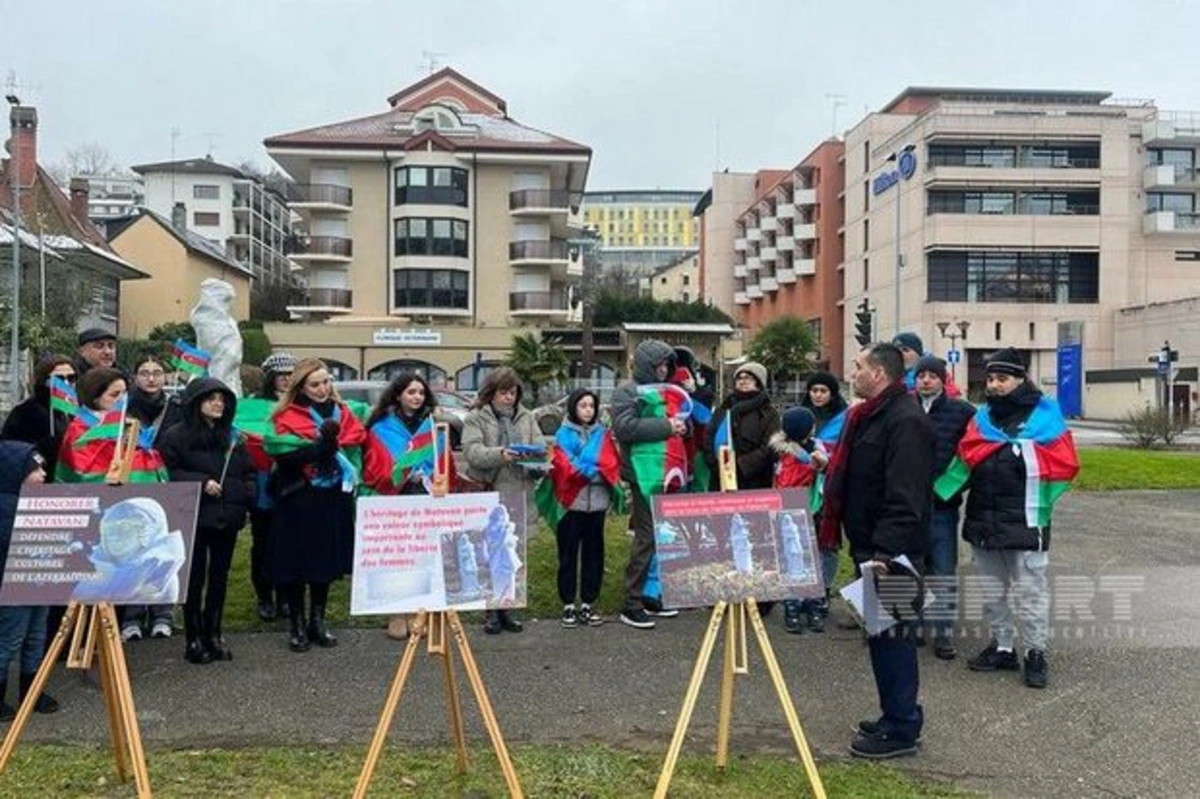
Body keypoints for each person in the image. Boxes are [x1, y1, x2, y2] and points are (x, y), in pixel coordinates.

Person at [939, 348, 1079, 689]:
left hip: (1026, 522)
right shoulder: (982, 419)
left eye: (1002, 378)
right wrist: (938, 493)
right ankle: (1002, 647)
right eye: (990, 378)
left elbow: (1065, 463)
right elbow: (964, 460)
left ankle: (1035, 652)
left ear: (1020, 379)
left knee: (1031, 591)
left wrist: (1021, 451)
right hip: (983, 519)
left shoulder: (1045, 419)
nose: (994, 385)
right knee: (992, 591)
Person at [821, 343, 933, 759]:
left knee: (894, 638)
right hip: (870, 546)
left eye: (859, 367)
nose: (853, 373)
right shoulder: (870, 415)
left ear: (880, 374)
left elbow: (905, 495)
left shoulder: (905, 421)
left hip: (890, 554)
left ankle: (902, 728)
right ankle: (894, 715)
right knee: (882, 637)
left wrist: (884, 554)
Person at [265, 358, 366, 653]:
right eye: (315, 384)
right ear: (301, 387)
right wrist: (318, 449)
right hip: (299, 497)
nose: (322, 389)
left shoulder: (344, 412)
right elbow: (282, 454)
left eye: (326, 382)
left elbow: (357, 437)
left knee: (324, 561)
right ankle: (296, 624)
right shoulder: (286, 415)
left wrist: (333, 446)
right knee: (297, 563)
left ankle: (317, 620)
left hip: (332, 496)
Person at [157, 378, 254, 664]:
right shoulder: (176, 436)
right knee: (194, 577)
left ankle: (215, 633)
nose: (218, 404)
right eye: (211, 398)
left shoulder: (233, 437)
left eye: (222, 399)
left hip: (227, 516)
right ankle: (193, 637)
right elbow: (168, 472)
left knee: (219, 578)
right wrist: (201, 483)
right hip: (194, 516)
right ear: (196, 402)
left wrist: (246, 499)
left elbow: (246, 472)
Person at [610, 339, 687, 630]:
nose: (664, 370)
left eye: (667, 365)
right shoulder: (626, 392)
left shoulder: (668, 392)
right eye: (660, 365)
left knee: (660, 537)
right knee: (645, 537)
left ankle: (647, 594)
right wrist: (668, 427)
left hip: (666, 473)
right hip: (643, 475)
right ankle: (631, 603)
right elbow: (625, 428)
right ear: (646, 365)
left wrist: (681, 424)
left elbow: (681, 421)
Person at [363, 372, 444, 641]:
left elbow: (442, 461)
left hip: (424, 495)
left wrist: (428, 472)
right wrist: (400, 472)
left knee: (422, 555)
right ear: (398, 395)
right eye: (411, 392)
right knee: (397, 556)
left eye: (421, 392)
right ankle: (396, 612)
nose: (417, 397)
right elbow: (375, 466)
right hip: (394, 500)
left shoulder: (432, 426)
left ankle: (417, 610)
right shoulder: (380, 428)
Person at [462, 367, 540, 635]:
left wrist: (538, 460)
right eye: (504, 392)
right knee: (488, 552)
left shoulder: (527, 417)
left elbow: (540, 447)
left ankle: (507, 607)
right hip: (490, 492)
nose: (509, 398)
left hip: (519, 491)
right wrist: (501, 454)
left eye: (513, 392)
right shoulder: (476, 418)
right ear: (491, 393)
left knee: (513, 553)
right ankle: (490, 612)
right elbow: (473, 453)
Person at [912, 355, 974, 660]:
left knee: (943, 569)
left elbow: (971, 456)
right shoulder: (904, 408)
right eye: (920, 375)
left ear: (942, 379)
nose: (926, 380)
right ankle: (915, 625)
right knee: (912, 567)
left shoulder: (961, 412)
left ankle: (944, 633)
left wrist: (952, 491)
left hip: (942, 506)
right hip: (908, 504)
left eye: (932, 375)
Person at [543, 388, 618, 628]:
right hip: (570, 504)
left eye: (591, 406)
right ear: (574, 407)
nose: (588, 410)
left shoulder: (603, 435)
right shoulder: (563, 434)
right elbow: (563, 467)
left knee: (594, 554)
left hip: (596, 504)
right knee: (567, 554)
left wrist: (586, 470)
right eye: (583, 405)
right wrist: (591, 469)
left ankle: (588, 602)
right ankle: (567, 604)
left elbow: (609, 464)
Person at [122, 352, 184, 641]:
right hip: (133, 484)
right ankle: (132, 616)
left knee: (163, 550)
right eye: (144, 372)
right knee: (134, 553)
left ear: (165, 377)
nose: (150, 377)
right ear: (135, 377)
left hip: (166, 482)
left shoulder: (177, 408)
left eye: (156, 372)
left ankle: (162, 613)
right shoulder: (124, 407)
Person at [0, 443, 57, 721]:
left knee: (37, 636)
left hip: (39, 579)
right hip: (14, 586)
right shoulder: (7, 508)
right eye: (36, 470)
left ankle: (32, 690)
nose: (43, 475)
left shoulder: (37, 502)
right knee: (10, 639)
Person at [772, 407, 832, 633]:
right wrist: (811, 467)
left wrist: (822, 465)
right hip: (790, 514)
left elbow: (829, 471)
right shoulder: (785, 455)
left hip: (814, 511)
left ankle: (813, 606)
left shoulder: (818, 447)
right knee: (791, 559)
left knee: (812, 560)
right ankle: (792, 607)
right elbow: (787, 484)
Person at [248, 352, 296, 622]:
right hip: (263, 479)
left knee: (290, 542)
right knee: (263, 542)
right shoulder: (253, 405)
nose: (287, 380)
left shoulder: (300, 404)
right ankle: (264, 596)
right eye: (281, 375)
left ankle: (287, 596)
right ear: (270, 378)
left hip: (292, 479)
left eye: (291, 374)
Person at [1, 354, 77, 477]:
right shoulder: (25, 412)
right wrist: (42, 450)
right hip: (36, 484)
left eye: (71, 378)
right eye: (59, 379)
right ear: (44, 381)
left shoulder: (72, 411)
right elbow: (11, 452)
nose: (66, 384)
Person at [893, 333, 961, 398]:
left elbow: (952, 394)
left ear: (918, 354)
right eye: (896, 351)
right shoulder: (889, 376)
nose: (900, 354)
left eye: (905, 350)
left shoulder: (936, 370)